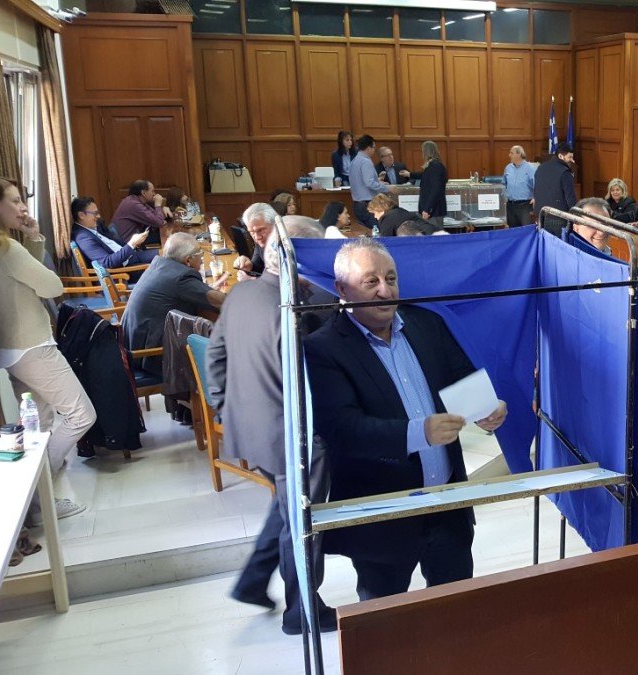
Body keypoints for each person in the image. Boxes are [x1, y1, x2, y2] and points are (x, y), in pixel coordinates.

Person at [304, 238, 507, 600]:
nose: (386, 290)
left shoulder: (426, 323)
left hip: (447, 505)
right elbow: (342, 430)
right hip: (384, 516)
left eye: (391, 278)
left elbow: (460, 378)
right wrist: (419, 432)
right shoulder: (323, 348)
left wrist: (486, 409)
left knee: (455, 606)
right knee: (385, 618)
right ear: (341, 289)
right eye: (371, 281)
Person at [207, 216, 336, 636]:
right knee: (302, 522)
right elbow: (311, 383)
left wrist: (224, 408)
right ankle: (302, 612)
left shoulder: (241, 292)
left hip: (248, 428)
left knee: (285, 507)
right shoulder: (298, 309)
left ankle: (252, 581)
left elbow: (215, 355)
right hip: (292, 436)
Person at [0, 175, 95, 520]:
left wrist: (35, 239)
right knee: (81, 415)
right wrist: (32, 242)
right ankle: (35, 493)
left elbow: (26, 280)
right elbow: (51, 286)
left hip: (9, 349)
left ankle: (39, 507)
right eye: (14, 200)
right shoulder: (5, 247)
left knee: (38, 425)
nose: (22, 207)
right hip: (32, 345)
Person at [123, 232, 228, 376]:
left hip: (132, 346)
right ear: (188, 260)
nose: (202, 259)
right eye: (200, 254)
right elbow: (224, 303)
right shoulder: (182, 278)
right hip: (150, 356)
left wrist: (205, 291)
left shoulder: (160, 265)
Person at [70, 197, 155, 278]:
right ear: (81, 215)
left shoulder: (94, 225)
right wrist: (132, 243)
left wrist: (134, 245)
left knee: (162, 254)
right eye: (95, 213)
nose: (98, 216)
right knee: (161, 268)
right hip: (123, 271)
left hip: (130, 256)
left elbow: (113, 240)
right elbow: (107, 262)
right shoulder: (83, 238)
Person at [347, 134, 390, 231]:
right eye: (374, 147)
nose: (374, 150)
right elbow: (369, 183)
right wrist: (387, 188)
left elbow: (361, 181)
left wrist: (378, 182)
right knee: (377, 231)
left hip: (358, 204)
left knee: (366, 231)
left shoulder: (354, 161)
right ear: (368, 148)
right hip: (367, 205)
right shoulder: (365, 161)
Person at [533, 143, 577, 236]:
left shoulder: (540, 168)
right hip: (560, 218)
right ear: (560, 156)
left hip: (541, 216)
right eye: (570, 157)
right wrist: (576, 218)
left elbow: (536, 191)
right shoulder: (565, 172)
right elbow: (570, 198)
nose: (572, 160)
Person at [110, 179, 168, 244]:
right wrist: (158, 205)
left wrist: (163, 208)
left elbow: (155, 217)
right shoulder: (134, 205)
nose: (154, 194)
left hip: (135, 237)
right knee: (166, 236)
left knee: (164, 234)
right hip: (127, 243)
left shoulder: (136, 201)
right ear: (143, 193)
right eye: (152, 191)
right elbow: (159, 222)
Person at [233, 203, 277, 281]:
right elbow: (258, 267)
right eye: (252, 232)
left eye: (261, 230)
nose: (257, 237)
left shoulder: (286, 244)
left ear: (275, 225)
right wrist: (249, 266)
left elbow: (283, 281)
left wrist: (253, 279)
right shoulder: (261, 239)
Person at [409, 140, 447, 226]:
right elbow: (425, 176)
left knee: (433, 233)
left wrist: (427, 209)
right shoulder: (433, 165)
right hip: (431, 211)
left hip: (433, 212)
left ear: (426, 152)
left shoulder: (435, 166)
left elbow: (436, 189)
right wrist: (409, 174)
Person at [502, 145, 535, 227]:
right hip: (510, 205)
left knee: (526, 230)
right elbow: (503, 184)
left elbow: (538, 185)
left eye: (511, 153)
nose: (509, 155)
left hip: (525, 206)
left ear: (519, 154)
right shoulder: (508, 168)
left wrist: (536, 197)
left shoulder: (531, 168)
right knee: (513, 230)